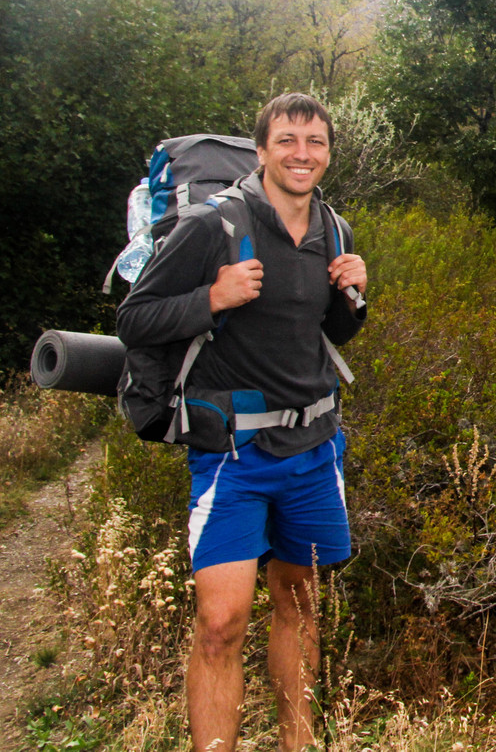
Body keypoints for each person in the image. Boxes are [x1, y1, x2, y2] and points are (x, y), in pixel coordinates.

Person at [116, 93, 368, 752]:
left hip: (314, 450)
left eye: (314, 142)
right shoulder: (213, 226)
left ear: (328, 153)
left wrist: (354, 297)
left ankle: (297, 744)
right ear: (260, 151)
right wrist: (210, 298)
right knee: (221, 623)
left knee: (300, 608)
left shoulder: (333, 230)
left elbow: (326, 332)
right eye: (286, 140)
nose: (301, 153)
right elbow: (133, 319)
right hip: (233, 454)